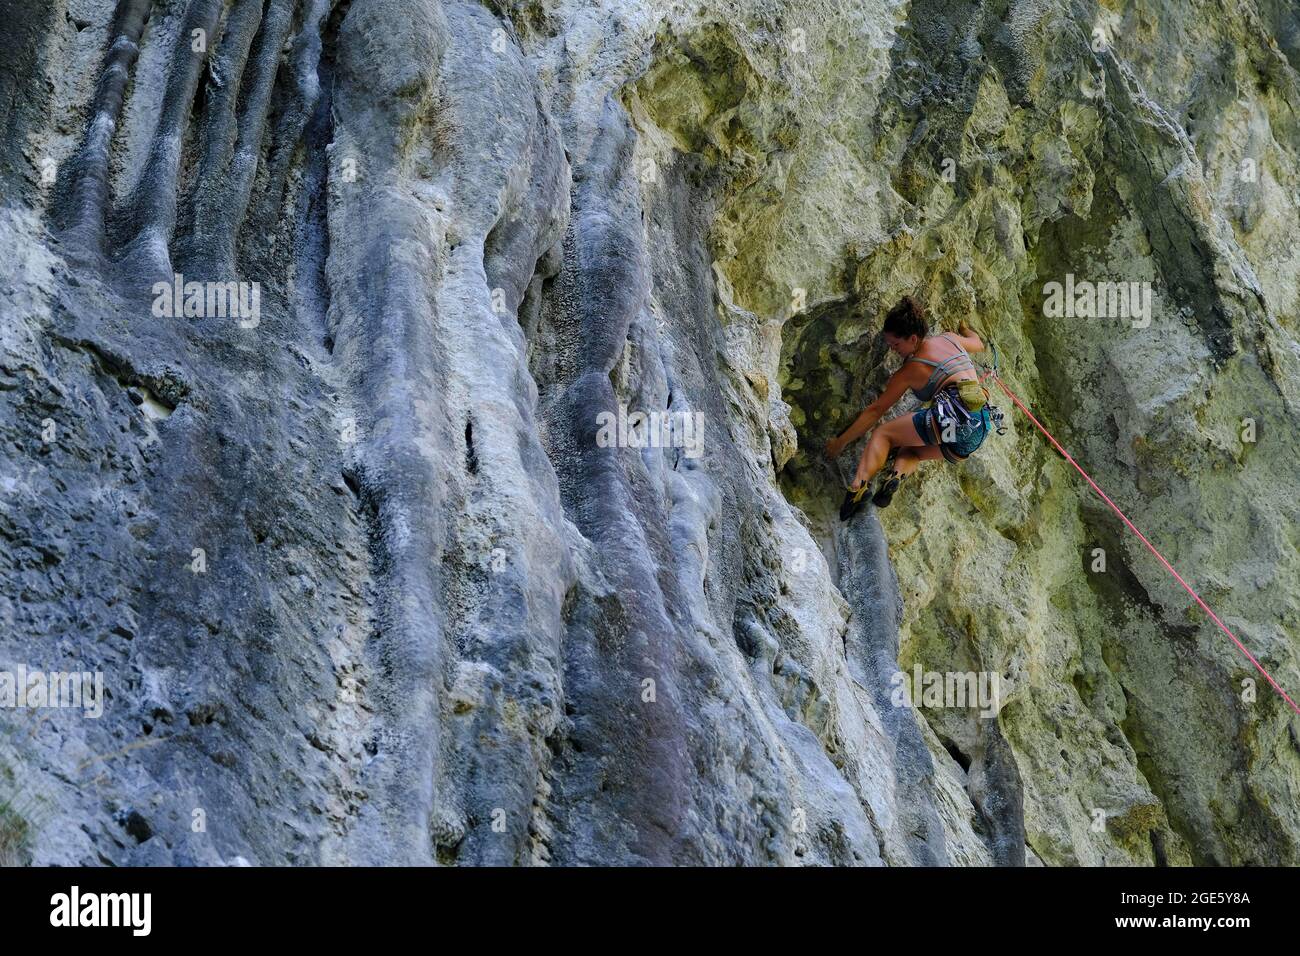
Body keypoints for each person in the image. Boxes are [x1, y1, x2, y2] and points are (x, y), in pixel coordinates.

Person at [824, 296, 993, 518]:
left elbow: (876, 411)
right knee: (913, 451)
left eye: (896, 344)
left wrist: (840, 442)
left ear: (913, 338)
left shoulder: (911, 370)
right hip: (978, 428)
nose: (893, 349)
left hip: (951, 418)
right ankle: (895, 476)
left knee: (884, 434)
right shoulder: (952, 339)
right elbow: (978, 343)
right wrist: (966, 330)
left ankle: (857, 487)